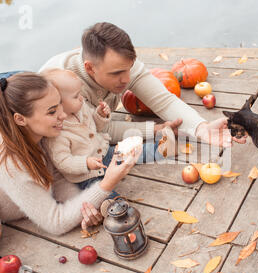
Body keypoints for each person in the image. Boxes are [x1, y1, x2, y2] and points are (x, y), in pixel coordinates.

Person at [0, 72, 141, 234]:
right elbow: (55, 222)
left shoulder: (38, 131)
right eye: (52, 112)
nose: (63, 115)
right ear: (20, 119)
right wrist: (107, 184)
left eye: (59, 104)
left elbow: (56, 179)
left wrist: (84, 207)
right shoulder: (10, 166)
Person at [39, 22, 244, 148]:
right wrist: (155, 129)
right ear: (90, 68)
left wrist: (201, 127)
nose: (127, 79)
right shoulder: (65, 90)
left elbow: (163, 100)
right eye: (117, 73)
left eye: (129, 68)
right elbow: (101, 131)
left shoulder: (121, 66)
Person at [41, 68, 175, 191]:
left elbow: (97, 127)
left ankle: (162, 149)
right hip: (87, 175)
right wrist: (86, 163)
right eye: (76, 96)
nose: (81, 98)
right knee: (98, 189)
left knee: (133, 151)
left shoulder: (81, 108)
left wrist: (99, 115)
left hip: (105, 152)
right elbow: (63, 162)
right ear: (58, 102)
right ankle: (113, 206)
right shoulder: (56, 133)